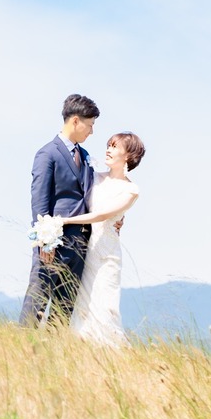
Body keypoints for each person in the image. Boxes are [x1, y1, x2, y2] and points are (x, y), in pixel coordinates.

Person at [19, 94, 99, 326]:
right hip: (53, 244)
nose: (91, 132)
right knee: (37, 300)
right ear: (76, 121)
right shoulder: (48, 154)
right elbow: (40, 202)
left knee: (64, 309)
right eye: (90, 125)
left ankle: (54, 354)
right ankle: (21, 346)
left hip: (80, 244)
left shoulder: (84, 157)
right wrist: (45, 242)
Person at [61, 132, 144, 346]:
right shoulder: (94, 177)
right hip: (84, 249)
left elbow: (102, 215)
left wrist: (66, 221)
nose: (108, 149)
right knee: (83, 304)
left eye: (115, 146)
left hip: (106, 254)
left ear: (128, 155)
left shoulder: (130, 190)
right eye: (108, 145)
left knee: (105, 307)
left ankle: (112, 355)